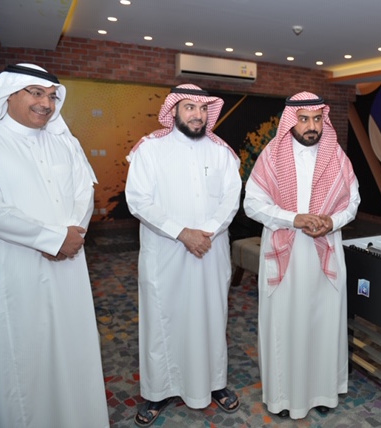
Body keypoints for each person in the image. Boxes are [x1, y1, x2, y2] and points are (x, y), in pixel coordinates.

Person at [0, 64, 108, 427]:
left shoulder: (65, 142)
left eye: (53, 96)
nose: (46, 103)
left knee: (73, 346)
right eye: (36, 93)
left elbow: (84, 191)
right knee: (25, 354)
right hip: (16, 267)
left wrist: (72, 236)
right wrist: (52, 238)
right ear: (9, 94)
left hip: (69, 263)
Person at [125, 84, 242, 426]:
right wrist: (182, 233)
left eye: (203, 109)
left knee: (212, 317)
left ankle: (215, 383)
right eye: (190, 107)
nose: (197, 115)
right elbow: (138, 200)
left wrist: (207, 231)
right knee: (164, 319)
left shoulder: (221, 152)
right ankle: (158, 391)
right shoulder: (150, 149)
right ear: (174, 110)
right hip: (166, 252)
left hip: (210, 250)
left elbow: (231, 198)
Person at [244, 92, 360, 419]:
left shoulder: (336, 156)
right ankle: (283, 397)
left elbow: (352, 202)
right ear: (291, 121)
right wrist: (293, 219)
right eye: (304, 119)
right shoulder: (272, 155)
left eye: (317, 119)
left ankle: (323, 391)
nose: (312, 126)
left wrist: (331, 222)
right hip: (286, 253)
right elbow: (252, 204)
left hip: (326, 251)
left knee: (324, 322)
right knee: (285, 324)